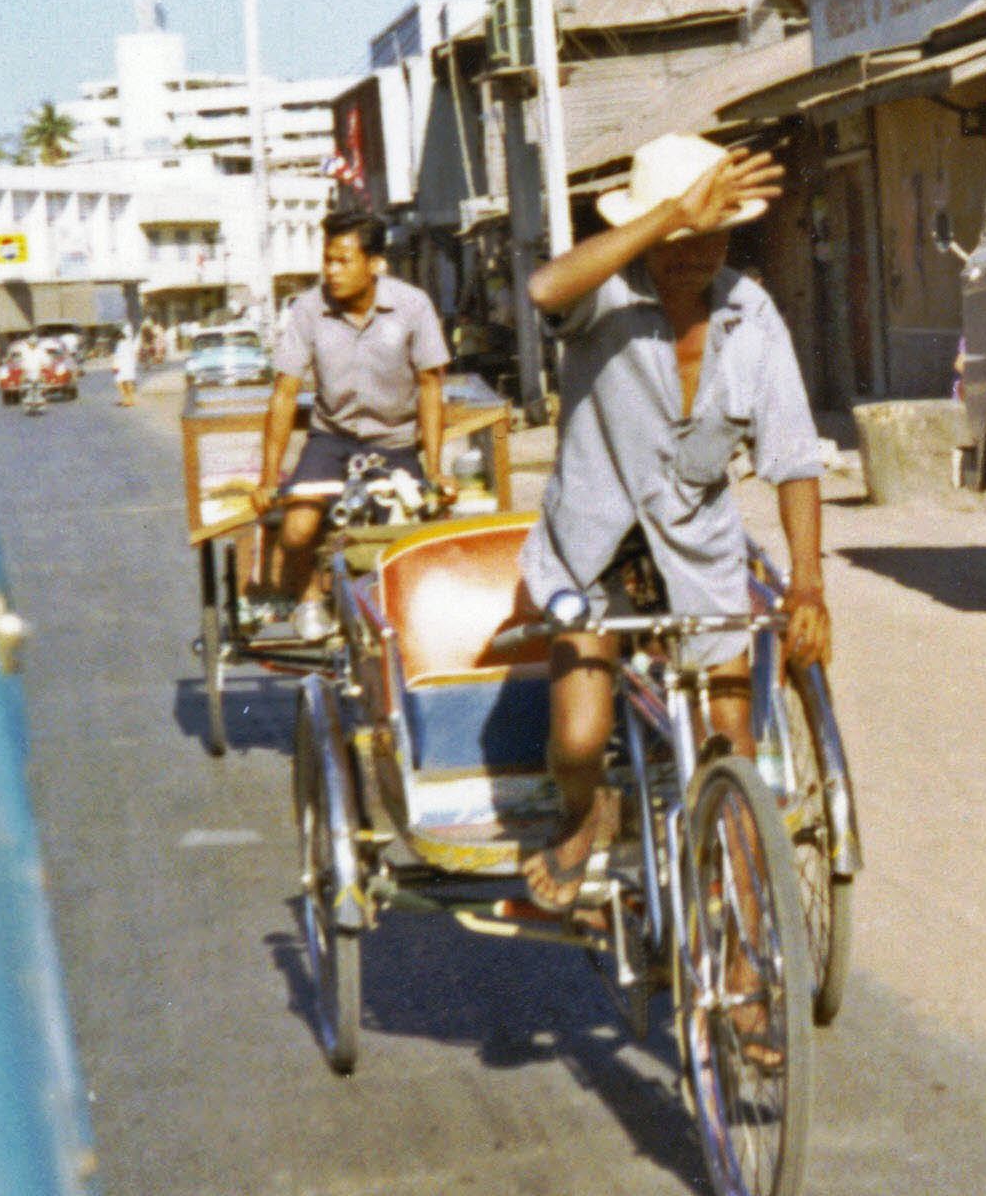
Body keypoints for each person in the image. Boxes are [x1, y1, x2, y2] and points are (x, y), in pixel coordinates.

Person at [513, 133, 828, 917]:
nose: (692, 251)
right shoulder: (604, 295)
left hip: (697, 551)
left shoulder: (753, 317)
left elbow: (791, 458)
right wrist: (666, 217)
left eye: (707, 233)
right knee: (579, 742)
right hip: (591, 550)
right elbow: (544, 288)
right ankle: (588, 813)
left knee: (734, 743)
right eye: (677, 236)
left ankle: (752, 965)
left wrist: (809, 582)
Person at [251, 207, 455, 640]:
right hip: (331, 439)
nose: (332, 271)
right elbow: (285, 393)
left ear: (375, 264)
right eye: (327, 259)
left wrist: (434, 467)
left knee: (402, 539)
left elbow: (431, 387)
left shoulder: (412, 306)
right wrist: (269, 478)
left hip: (395, 442)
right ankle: (309, 598)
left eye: (343, 260)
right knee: (298, 527)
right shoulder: (308, 310)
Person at [113, 327, 140, 406]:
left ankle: (128, 400)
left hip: (124, 366)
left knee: (123, 383)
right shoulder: (127, 343)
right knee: (125, 383)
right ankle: (128, 400)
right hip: (126, 366)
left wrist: (115, 365)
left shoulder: (123, 343)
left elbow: (118, 356)